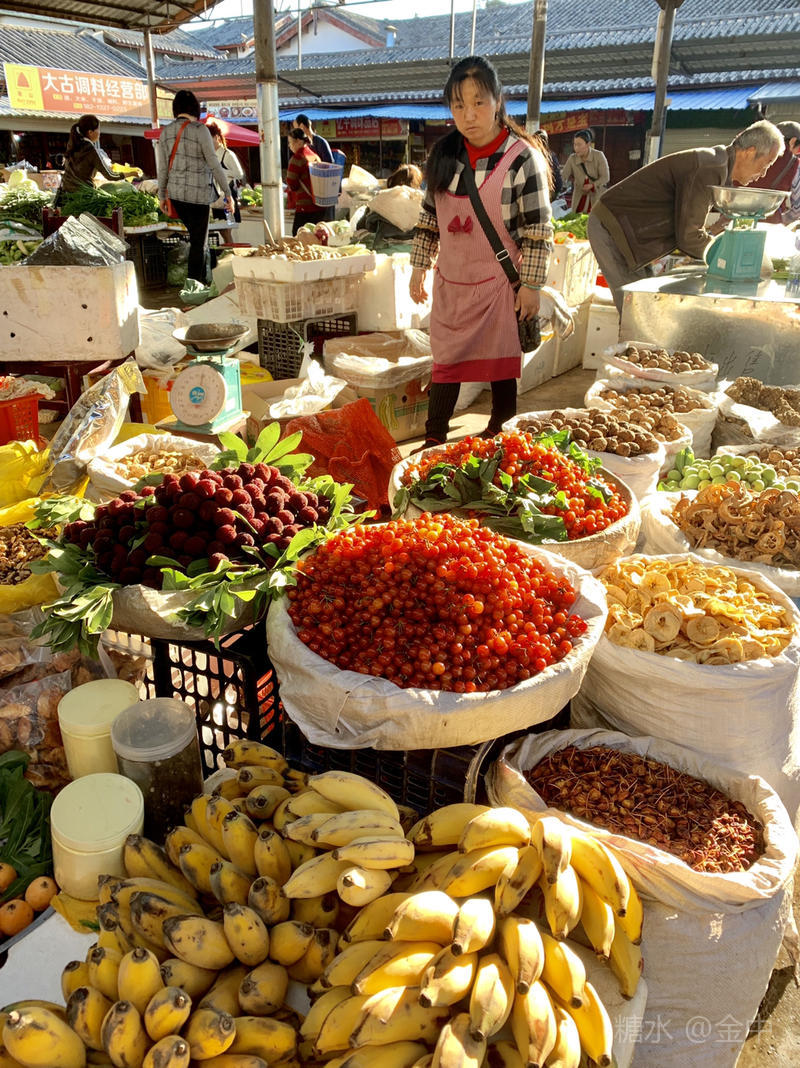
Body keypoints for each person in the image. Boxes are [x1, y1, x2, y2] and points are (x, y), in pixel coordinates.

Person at [409, 55, 553, 446]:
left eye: (479, 102)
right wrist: (419, 267)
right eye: (459, 105)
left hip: (498, 286)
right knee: (446, 362)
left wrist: (532, 285)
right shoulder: (443, 155)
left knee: (500, 362)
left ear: (498, 101)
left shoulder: (522, 158)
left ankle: (500, 432)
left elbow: (538, 231)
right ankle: (434, 439)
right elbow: (429, 219)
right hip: (452, 284)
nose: (469, 115)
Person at [588, 119, 784, 313]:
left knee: (645, 309)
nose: (763, 174)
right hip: (612, 228)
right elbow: (689, 237)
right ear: (749, 152)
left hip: (632, 237)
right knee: (636, 312)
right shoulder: (710, 167)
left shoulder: (719, 167)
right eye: (766, 164)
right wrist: (728, 259)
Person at [156, 91, 233, 283]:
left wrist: (162, 196)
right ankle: (194, 286)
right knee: (198, 243)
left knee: (196, 239)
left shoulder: (165, 132)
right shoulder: (200, 130)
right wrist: (227, 192)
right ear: (195, 109)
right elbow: (214, 163)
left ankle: (198, 282)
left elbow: (162, 169)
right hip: (199, 196)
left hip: (176, 197)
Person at [745, 120, 800, 223]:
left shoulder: (746, 151)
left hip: (732, 218)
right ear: (792, 142)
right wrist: (782, 219)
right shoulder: (794, 163)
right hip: (768, 225)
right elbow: (797, 210)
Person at [57, 114, 117, 203]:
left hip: (67, 196)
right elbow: (109, 175)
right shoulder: (90, 150)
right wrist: (129, 174)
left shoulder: (74, 146)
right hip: (83, 198)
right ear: (90, 132)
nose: (99, 132)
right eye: (98, 129)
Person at [207, 122, 245, 243]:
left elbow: (239, 174)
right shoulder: (210, 156)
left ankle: (231, 250)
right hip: (216, 197)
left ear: (216, 137)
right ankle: (229, 249)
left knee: (227, 229)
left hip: (228, 198)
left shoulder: (228, 155)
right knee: (222, 228)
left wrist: (223, 172)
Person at [286, 127, 325, 235]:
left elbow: (292, 184)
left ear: (298, 141)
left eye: (290, 142)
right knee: (317, 238)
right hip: (319, 205)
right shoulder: (315, 156)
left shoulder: (297, 158)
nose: (289, 146)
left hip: (305, 207)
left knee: (299, 236)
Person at [560, 130, 609, 213]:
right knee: (577, 218)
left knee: (594, 217)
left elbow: (605, 177)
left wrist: (593, 185)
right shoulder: (572, 158)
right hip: (579, 197)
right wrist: (557, 186)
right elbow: (564, 175)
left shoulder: (599, 156)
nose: (576, 148)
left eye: (579, 145)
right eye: (575, 144)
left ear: (588, 144)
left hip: (596, 195)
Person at [531, 129, 563, 202]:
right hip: (551, 192)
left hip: (543, 192)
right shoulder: (552, 155)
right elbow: (558, 180)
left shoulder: (536, 155)